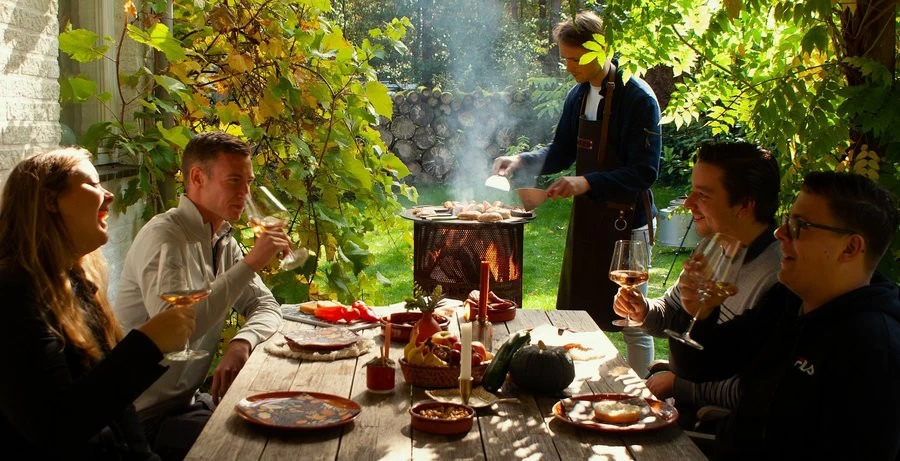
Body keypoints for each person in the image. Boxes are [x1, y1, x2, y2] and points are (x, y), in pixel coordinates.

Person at [683, 171, 900, 459]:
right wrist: (701, 312)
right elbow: (700, 366)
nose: (779, 233)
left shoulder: (873, 346)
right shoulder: (789, 300)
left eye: (800, 226)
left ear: (850, 248)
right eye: (788, 220)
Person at [492, 10, 661, 376]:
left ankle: (643, 393)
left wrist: (586, 183)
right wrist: (520, 160)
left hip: (626, 222)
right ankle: (576, 382)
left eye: (575, 58)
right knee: (577, 312)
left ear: (601, 49)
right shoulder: (578, 95)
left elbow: (646, 171)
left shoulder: (638, 98)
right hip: (588, 219)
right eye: (564, 58)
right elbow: (562, 150)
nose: (568, 66)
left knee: (632, 319)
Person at [0, 148, 196, 460]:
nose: (109, 196)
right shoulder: (12, 295)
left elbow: (119, 411)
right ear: (51, 201)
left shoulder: (75, 281)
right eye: (92, 185)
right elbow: (56, 427)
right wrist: (147, 344)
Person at [115, 132, 285, 460]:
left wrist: (243, 341)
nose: (245, 194)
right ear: (197, 177)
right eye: (234, 181)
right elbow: (179, 332)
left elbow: (265, 304)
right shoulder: (165, 237)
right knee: (259, 449)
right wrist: (251, 264)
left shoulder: (222, 240)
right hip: (141, 421)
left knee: (283, 418)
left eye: (248, 182)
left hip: (186, 406)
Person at [611, 142, 781, 422]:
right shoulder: (712, 247)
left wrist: (681, 385)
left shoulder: (775, 279)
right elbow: (673, 312)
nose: (688, 203)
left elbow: (754, 389)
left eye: (703, 194)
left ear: (745, 205)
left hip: (715, 428)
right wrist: (643, 311)